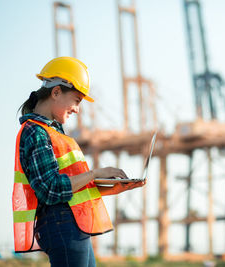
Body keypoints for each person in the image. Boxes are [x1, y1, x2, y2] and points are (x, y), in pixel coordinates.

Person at [12, 56, 145, 267]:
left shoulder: (52, 133)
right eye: (76, 100)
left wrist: (113, 187)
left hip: (71, 224)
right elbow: (50, 190)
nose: (77, 109)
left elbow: (71, 189)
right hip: (62, 225)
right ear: (56, 92)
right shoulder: (35, 132)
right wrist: (94, 174)